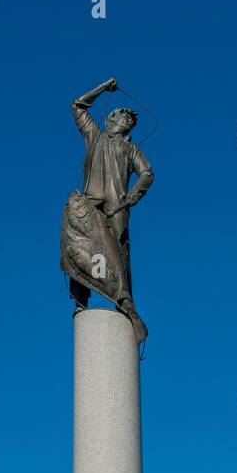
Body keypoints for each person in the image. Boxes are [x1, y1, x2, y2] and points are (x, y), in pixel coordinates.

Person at [60, 77, 154, 343]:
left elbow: (147, 173)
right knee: (82, 248)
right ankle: (81, 300)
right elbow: (77, 105)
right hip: (90, 204)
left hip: (117, 208)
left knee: (118, 254)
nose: (127, 122)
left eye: (130, 122)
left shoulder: (130, 148)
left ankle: (124, 306)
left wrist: (133, 194)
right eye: (124, 117)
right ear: (111, 118)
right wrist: (103, 87)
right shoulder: (95, 136)